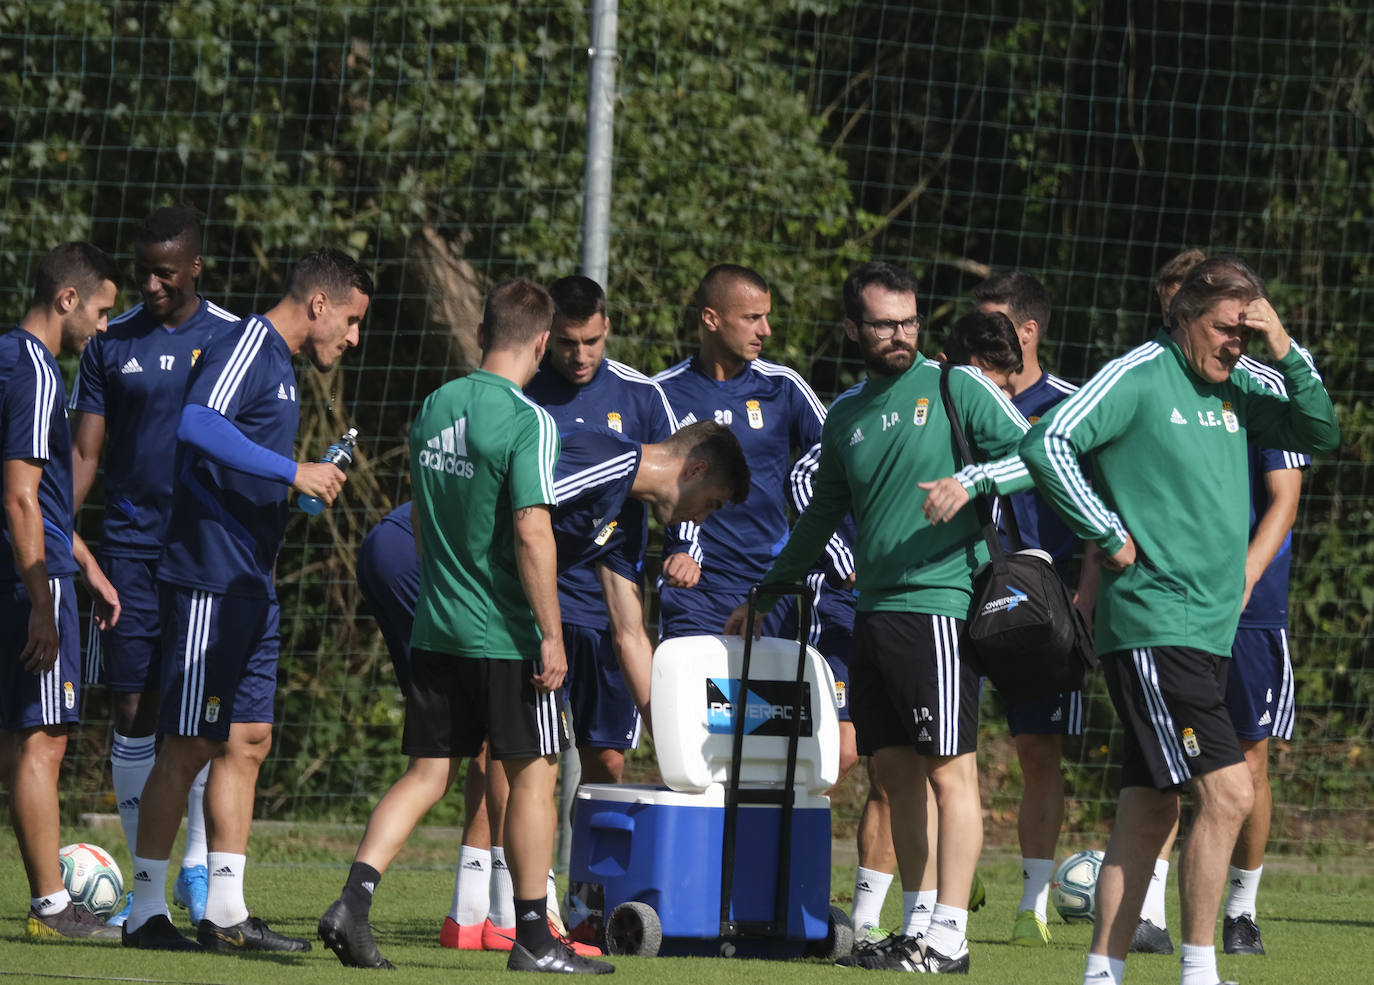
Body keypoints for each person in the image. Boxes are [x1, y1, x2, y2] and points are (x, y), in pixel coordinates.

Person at [317, 278, 747, 974]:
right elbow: (530, 531)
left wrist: (672, 741)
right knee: (538, 771)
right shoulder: (571, 447)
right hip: (499, 623)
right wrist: (548, 632)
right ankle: (533, 937)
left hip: (440, 606)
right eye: (713, 501)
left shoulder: (440, 405)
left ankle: (353, 903)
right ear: (693, 467)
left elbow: (629, 627)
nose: (704, 518)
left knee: (431, 769)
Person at [1018, 256, 1339, 985]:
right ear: (1185, 316)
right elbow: (1046, 442)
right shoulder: (1138, 373)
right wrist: (1104, 530)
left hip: (1208, 630)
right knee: (1229, 791)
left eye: (1247, 330)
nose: (1237, 343)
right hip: (1154, 623)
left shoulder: (1247, 383)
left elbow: (1320, 430)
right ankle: (1200, 972)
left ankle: (1101, 974)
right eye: (1227, 328)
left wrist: (1283, 342)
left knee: (1147, 809)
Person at [726, 260, 1036, 974]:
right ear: (852, 328)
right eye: (883, 323)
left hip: (940, 610)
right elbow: (820, 516)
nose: (899, 335)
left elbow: (1040, 452)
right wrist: (768, 589)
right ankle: (918, 924)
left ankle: (951, 936)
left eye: (909, 321)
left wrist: (973, 479)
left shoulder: (956, 385)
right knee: (894, 774)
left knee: (951, 771)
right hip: (872, 616)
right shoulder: (846, 416)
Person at [121, 247, 373, 952]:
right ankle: (143, 913)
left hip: (250, 583)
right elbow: (197, 424)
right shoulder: (252, 344)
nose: (353, 338)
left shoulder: (283, 370)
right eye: (351, 321)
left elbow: (242, 459)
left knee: (249, 739)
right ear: (319, 304)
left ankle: (227, 914)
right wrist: (295, 469)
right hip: (209, 577)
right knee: (192, 740)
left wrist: (304, 482)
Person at [69, 207, 240, 928]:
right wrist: (62, 538)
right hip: (129, 554)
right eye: (142, 270)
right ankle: (146, 891)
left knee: (199, 715)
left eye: (164, 272)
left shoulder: (234, 339)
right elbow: (84, 454)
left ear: (196, 267)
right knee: (133, 708)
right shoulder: (112, 343)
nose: (150, 283)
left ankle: (198, 869)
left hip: (205, 553)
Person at [1145, 249, 1307, 959]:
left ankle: (1242, 909)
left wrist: (1242, 576)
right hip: (1174, 602)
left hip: (1252, 605)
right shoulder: (1154, 383)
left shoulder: (1262, 387)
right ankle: (1150, 907)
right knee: (1167, 759)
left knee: (1247, 760)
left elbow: (1286, 496)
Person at [969, 273, 1101, 948]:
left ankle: (1033, 903)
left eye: (992, 323)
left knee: (1037, 750)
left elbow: (1100, 516)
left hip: (1038, 611)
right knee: (932, 748)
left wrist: (1082, 601)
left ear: (1027, 332)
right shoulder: (956, 396)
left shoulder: (1074, 409)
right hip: (958, 597)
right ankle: (951, 879)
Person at [1, 242, 121, 940]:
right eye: (101, 311)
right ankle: (54, 906)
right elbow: (22, 500)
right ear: (67, 299)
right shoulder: (40, 373)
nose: (104, 327)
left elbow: (40, 502)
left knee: (15, 744)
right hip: (27, 580)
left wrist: (90, 565)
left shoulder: (3, 359)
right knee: (44, 741)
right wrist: (46, 596)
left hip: (20, 571)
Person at [654, 263, 831, 639]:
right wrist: (682, 547)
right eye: (752, 318)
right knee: (692, 697)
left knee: (770, 699)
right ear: (711, 319)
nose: (765, 330)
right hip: (694, 586)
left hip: (772, 586)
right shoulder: (660, 394)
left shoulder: (783, 386)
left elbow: (839, 454)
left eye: (766, 317)